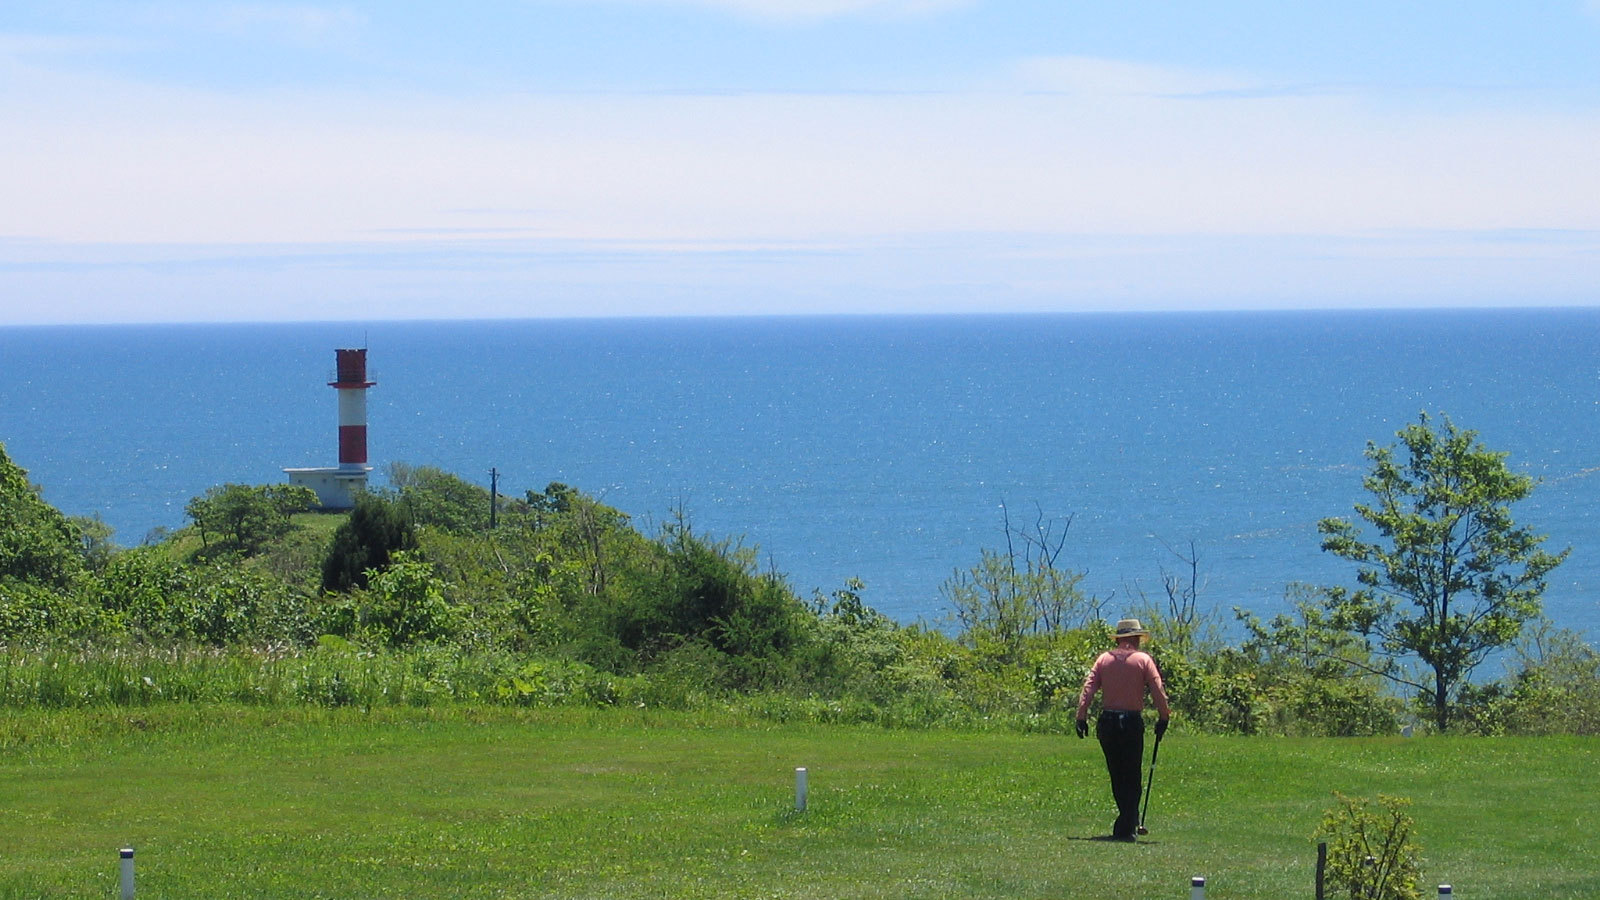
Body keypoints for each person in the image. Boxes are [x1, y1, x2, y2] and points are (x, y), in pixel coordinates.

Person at [1075, 618, 1171, 841]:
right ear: (1134, 638)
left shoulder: (1103, 660)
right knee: (1132, 774)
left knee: (1117, 774)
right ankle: (1127, 823)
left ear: (1119, 639)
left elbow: (1088, 688)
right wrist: (1163, 716)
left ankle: (1126, 822)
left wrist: (1081, 716)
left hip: (1108, 722)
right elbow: (1157, 690)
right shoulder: (1143, 660)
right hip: (1130, 723)